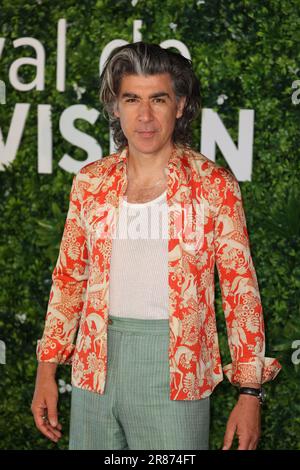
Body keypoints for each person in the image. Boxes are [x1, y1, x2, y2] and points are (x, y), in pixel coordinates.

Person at [31, 42, 281, 450]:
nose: (144, 116)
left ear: (179, 106)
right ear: (115, 107)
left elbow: (241, 295)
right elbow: (69, 280)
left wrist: (250, 394)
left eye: (157, 99)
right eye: (131, 99)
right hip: (94, 365)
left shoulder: (214, 185)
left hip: (177, 374)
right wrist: (46, 372)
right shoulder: (90, 182)